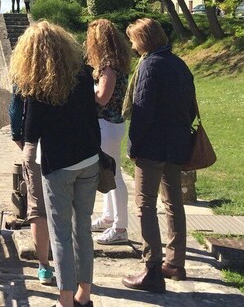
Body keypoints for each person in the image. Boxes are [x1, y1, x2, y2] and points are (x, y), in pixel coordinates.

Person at [12, 21, 100, 307]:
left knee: (61, 235)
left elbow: (31, 131)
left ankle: (64, 300)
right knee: (83, 229)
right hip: (90, 159)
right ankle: (83, 295)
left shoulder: (38, 83)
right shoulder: (85, 74)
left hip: (58, 165)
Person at [121, 18, 197, 293]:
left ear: (143, 40)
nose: (131, 45)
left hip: (153, 147)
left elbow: (142, 110)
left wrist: (133, 145)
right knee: (173, 204)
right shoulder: (179, 63)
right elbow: (190, 107)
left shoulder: (150, 65)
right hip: (176, 145)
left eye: (132, 40)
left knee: (146, 205)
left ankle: (152, 268)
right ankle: (175, 263)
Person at [85, 19, 132, 245]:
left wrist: (86, 90)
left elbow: (102, 98)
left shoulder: (107, 65)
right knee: (109, 171)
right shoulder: (118, 62)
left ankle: (120, 226)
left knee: (114, 175)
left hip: (107, 124)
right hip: (113, 124)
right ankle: (108, 217)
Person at [9, 85, 53, 285]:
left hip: (34, 144)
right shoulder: (71, 67)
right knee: (65, 207)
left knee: (37, 209)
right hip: (65, 145)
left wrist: (18, 137)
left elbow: (15, 109)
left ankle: (44, 266)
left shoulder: (25, 71)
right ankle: (68, 264)